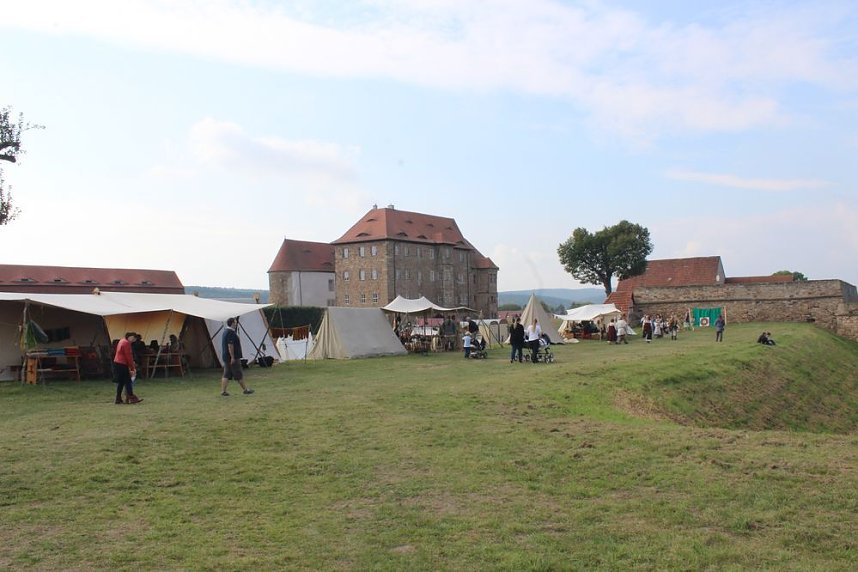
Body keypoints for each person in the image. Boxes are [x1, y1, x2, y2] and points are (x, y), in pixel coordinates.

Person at [221, 317, 254, 397]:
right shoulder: (230, 333)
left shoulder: (225, 331)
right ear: (232, 323)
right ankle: (245, 390)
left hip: (226, 357)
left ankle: (223, 391)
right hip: (232, 357)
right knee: (238, 373)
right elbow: (230, 345)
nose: (236, 324)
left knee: (226, 374)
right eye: (235, 322)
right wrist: (232, 357)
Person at [114, 331, 142, 404]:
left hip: (117, 362)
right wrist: (132, 366)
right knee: (128, 381)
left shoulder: (121, 340)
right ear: (130, 337)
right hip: (122, 363)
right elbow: (128, 356)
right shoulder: (126, 343)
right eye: (133, 338)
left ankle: (118, 398)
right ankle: (132, 398)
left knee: (121, 382)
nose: (133, 340)